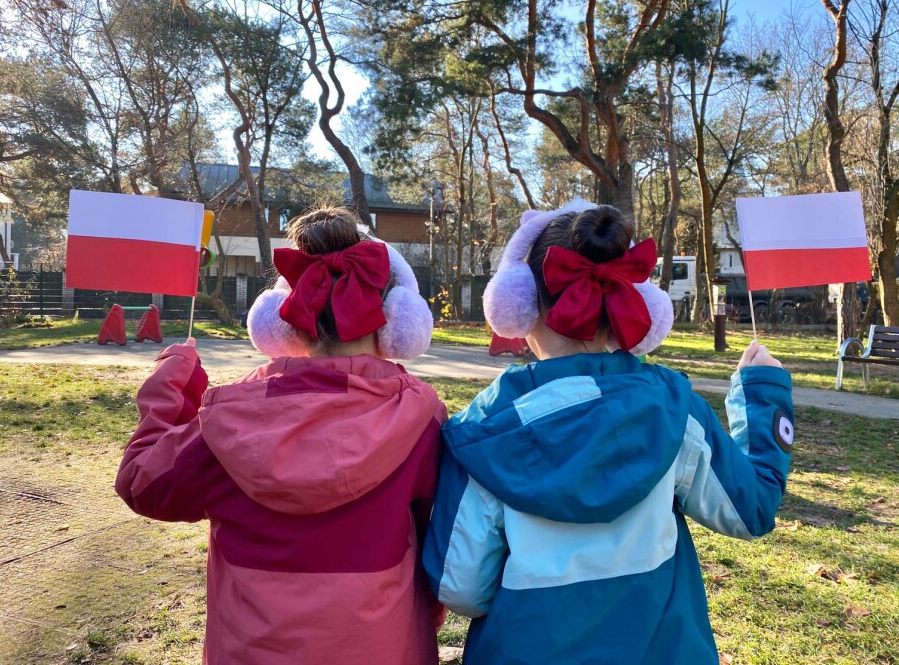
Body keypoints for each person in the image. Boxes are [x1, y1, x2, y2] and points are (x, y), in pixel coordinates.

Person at [423, 199, 794, 665]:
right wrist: (764, 395)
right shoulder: (674, 409)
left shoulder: (484, 430)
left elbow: (459, 587)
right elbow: (750, 509)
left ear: (519, 303)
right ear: (633, 303)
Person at [116, 206, 446, 665]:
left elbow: (143, 484)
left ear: (281, 317)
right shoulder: (421, 414)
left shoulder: (229, 415)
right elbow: (438, 537)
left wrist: (170, 383)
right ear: (397, 317)